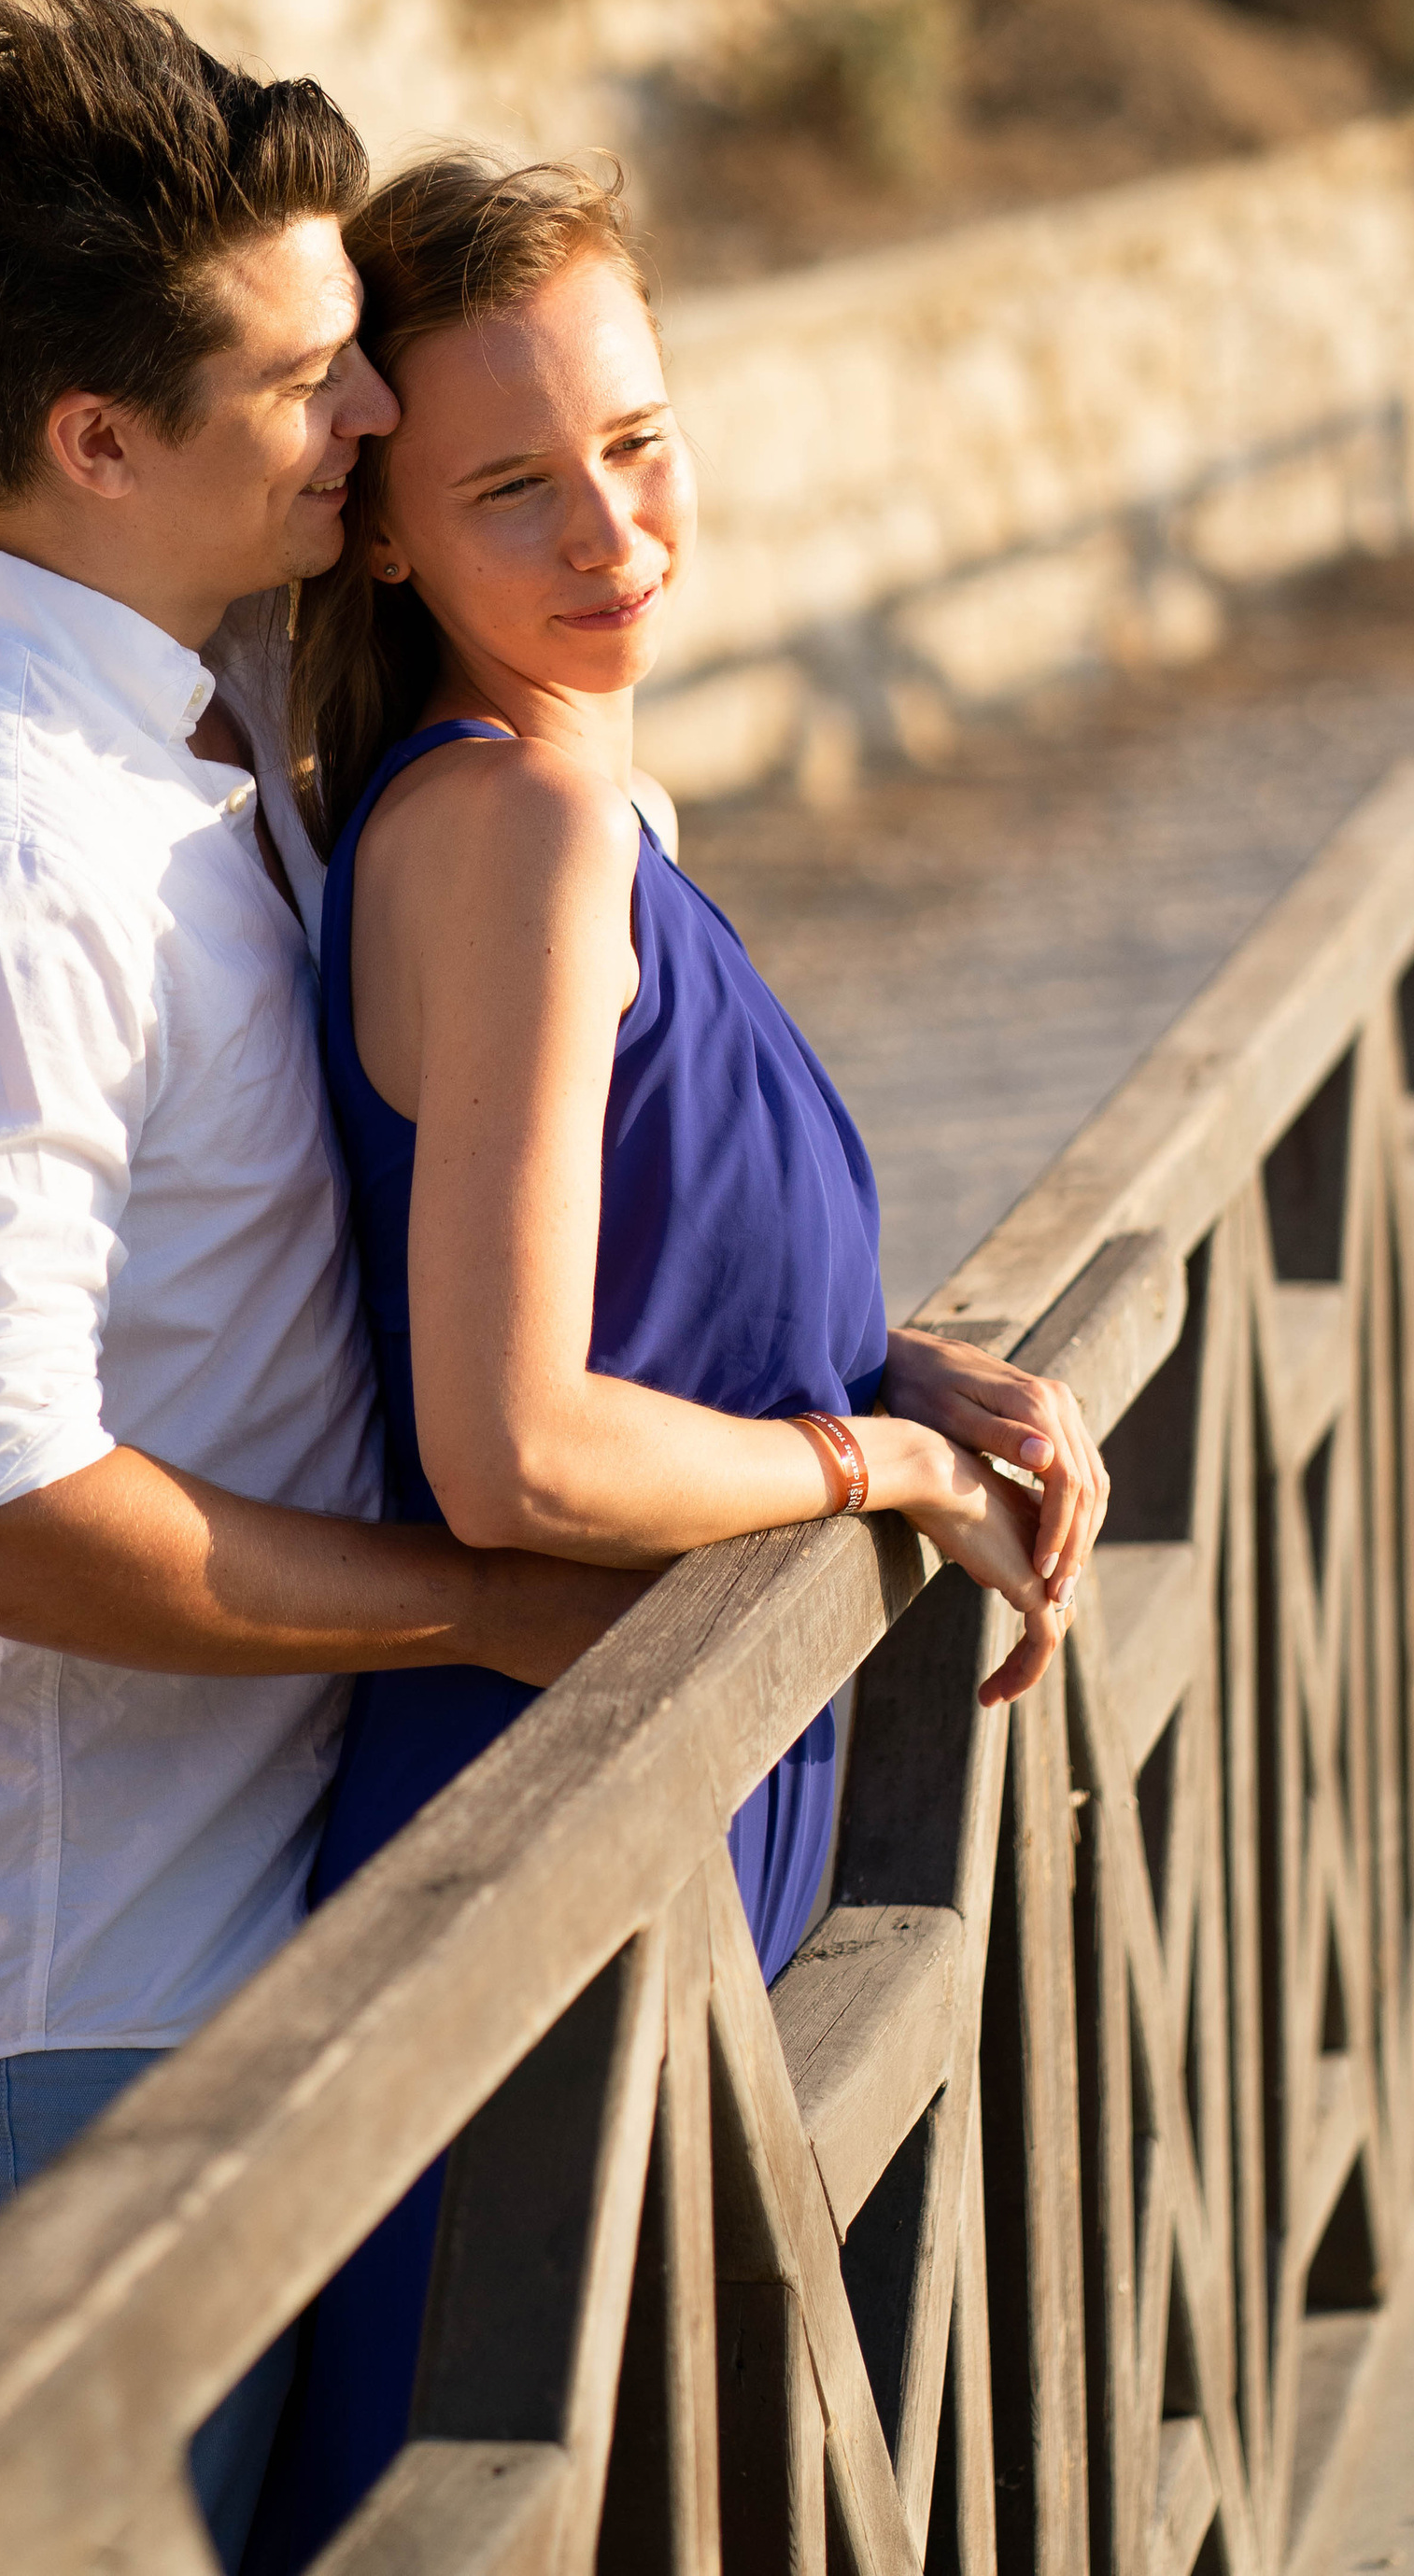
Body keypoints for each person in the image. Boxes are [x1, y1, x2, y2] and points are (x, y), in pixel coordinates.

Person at [0, 0, 647, 2570]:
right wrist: (481, 1607)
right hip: (34, 2016)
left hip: (230, 1937)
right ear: (94, 441)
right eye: (309, 376)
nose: (369, 424)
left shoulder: (209, 705)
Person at [264, 153, 1109, 2552]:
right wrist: (873, 1468)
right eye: (509, 485)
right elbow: (512, 1442)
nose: (607, 528)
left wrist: (896, 1355)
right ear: (389, 537)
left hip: (640, 1800)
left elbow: (654, 1272)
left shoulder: (584, 805)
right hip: (536, 1842)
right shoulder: (512, 836)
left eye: (634, 441)